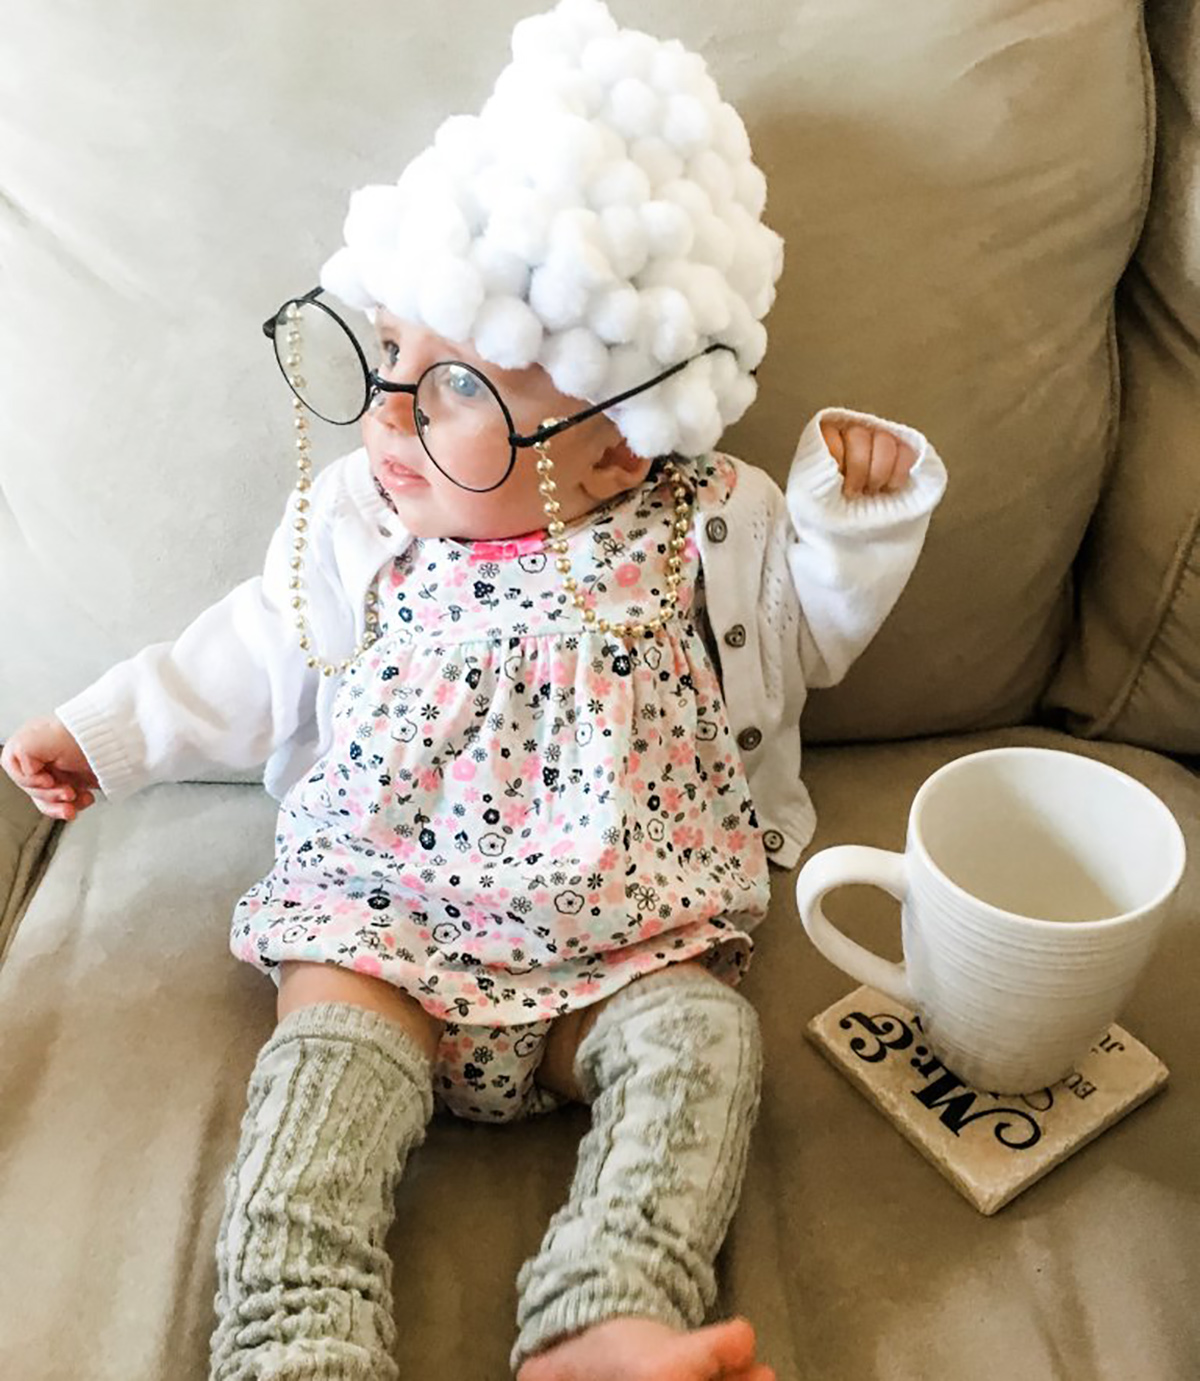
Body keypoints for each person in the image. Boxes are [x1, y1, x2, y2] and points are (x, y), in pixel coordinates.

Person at [0, 2, 948, 1377]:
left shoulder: (710, 523)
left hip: (622, 936)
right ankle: (295, 1335)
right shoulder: (359, 531)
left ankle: (611, 1304)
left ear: (622, 442)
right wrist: (105, 734)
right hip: (385, 923)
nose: (384, 413)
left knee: (701, 1040)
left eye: (448, 389)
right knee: (318, 1064)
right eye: (384, 357)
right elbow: (249, 652)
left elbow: (810, 633)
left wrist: (855, 518)